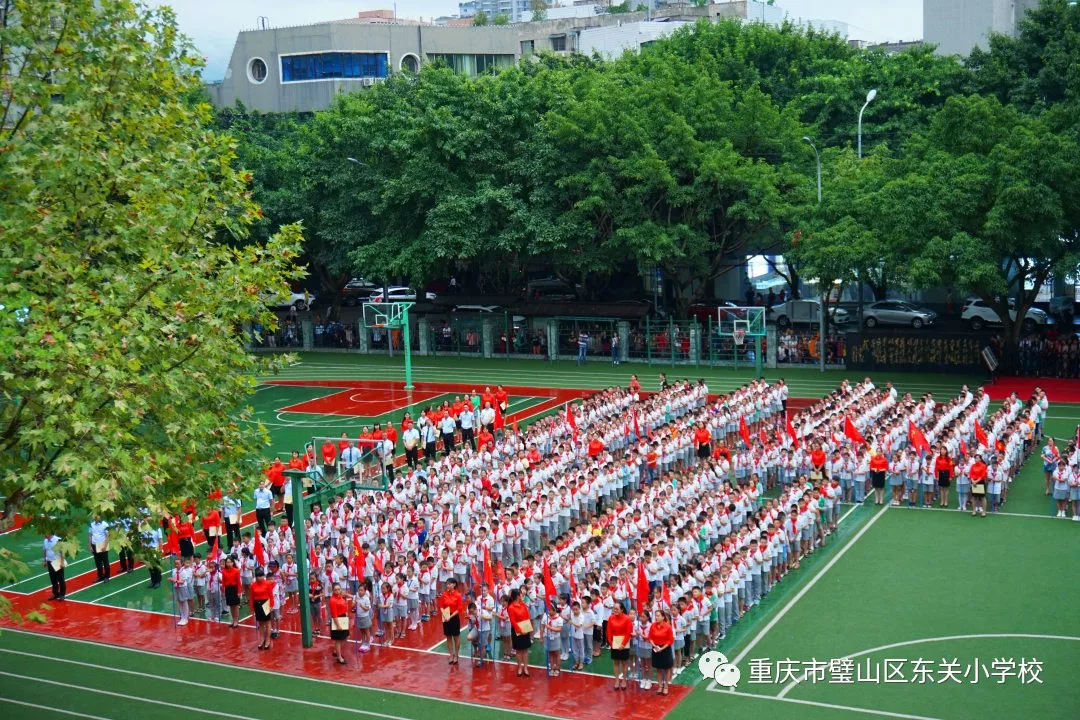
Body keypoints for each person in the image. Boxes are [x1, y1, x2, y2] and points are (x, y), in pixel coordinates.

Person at [606, 601, 634, 690]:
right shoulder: (611, 618)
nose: (615, 610)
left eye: (617, 609)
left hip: (624, 643)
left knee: (624, 663)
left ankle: (624, 680)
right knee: (616, 663)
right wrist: (611, 643)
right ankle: (617, 680)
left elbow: (628, 633)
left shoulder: (627, 619)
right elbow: (609, 631)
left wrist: (623, 644)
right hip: (614, 642)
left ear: (622, 609)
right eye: (614, 609)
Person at [437, 578, 465, 665]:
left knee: (456, 637)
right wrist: (445, 615)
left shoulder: (458, 595)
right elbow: (441, 605)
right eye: (447, 584)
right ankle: (451, 655)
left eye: (449, 584)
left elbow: (459, 609)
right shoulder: (444, 594)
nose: (448, 585)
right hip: (445, 615)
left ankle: (456, 655)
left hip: (454, 617)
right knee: (448, 637)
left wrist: (450, 616)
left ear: (454, 585)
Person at [648, 609, 675, 696]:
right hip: (656, 648)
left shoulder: (667, 627)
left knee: (666, 669)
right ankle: (660, 685)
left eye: (658, 616)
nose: (656, 617)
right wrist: (654, 645)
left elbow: (670, 640)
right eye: (655, 615)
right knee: (658, 668)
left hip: (665, 649)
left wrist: (662, 648)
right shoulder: (653, 626)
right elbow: (650, 637)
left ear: (663, 617)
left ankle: (666, 686)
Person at [507, 588, 533, 677]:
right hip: (517, 630)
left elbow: (527, 616)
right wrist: (520, 630)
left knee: (525, 650)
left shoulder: (523, 605)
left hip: (525, 628)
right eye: (521, 595)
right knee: (518, 651)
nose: (522, 596)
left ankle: (525, 667)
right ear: (517, 596)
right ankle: (519, 667)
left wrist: (527, 628)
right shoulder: (511, 607)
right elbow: (513, 621)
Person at [250, 567, 275, 650]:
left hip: (266, 604)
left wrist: (271, 605)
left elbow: (271, 596)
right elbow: (252, 597)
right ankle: (261, 639)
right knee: (260, 624)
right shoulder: (253, 585)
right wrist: (252, 608)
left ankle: (268, 640)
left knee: (268, 623)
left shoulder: (267, 584)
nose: (259, 578)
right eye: (258, 576)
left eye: (261, 576)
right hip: (257, 604)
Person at [328, 583, 353, 665]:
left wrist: (346, 616)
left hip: (343, 618)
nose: (338, 591)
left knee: (344, 637)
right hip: (338, 620)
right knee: (338, 640)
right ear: (333, 590)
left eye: (339, 589)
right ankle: (339, 658)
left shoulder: (340, 596)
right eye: (335, 590)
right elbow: (334, 615)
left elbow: (344, 607)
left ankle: (336, 651)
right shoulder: (332, 600)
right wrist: (338, 625)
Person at [43, 533, 66, 601]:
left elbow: (62, 552)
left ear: (49, 533)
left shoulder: (58, 540)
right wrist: (45, 560)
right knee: (53, 579)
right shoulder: (45, 541)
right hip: (49, 561)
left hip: (57, 562)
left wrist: (62, 562)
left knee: (60, 579)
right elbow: (45, 551)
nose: (44, 534)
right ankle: (55, 593)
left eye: (45, 533)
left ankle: (62, 594)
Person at [221, 555, 242, 628]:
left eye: (230, 562)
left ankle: (236, 620)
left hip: (234, 588)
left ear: (233, 563)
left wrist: (239, 591)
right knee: (230, 605)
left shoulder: (236, 571)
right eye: (227, 562)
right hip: (228, 589)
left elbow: (238, 582)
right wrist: (223, 590)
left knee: (235, 606)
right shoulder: (224, 571)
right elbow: (223, 581)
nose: (228, 564)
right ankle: (233, 619)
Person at [88, 516, 110, 583]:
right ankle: (100, 576)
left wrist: (105, 546)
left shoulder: (105, 524)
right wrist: (90, 546)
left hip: (102, 545)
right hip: (94, 545)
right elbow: (90, 535)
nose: (95, 518)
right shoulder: (91, 525)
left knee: (105, 561)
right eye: (94, 517)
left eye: (97, 516)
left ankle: (107, 576)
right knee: (98, 562)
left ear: (100, 517)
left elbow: (107, 536)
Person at [969, 453, 988, 518]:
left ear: (980, 459)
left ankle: (984, 511)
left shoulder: (983, 466)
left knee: (982, 497)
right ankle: (974, 510)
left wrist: (976, 481)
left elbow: (983, 475)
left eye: (977, 458)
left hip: (980, 482)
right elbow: (970, 473)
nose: (976, 459)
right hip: (973, 482)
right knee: (973, 497)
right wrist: (972, 480)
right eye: (975, 458)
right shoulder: (973, 466)